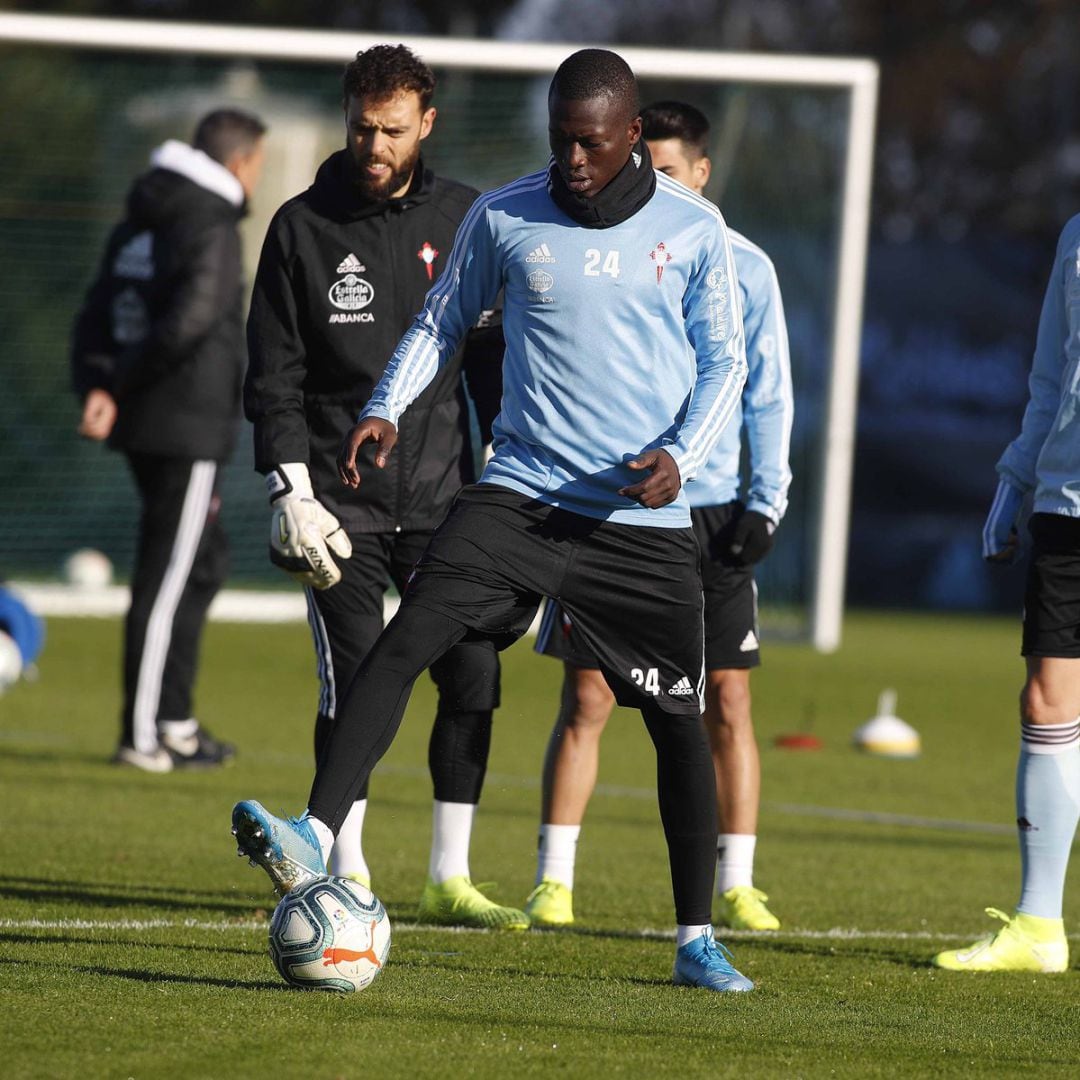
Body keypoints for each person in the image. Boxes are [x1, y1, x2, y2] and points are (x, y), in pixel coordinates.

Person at [232, 47, 755, 992]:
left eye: (591, 143)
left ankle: (694, 940)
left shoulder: (695, 231)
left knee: (679, 723)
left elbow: (727, 366)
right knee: (404, 642)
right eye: (560, 140)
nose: (573, 161)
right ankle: (315, 831)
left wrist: (683, 455)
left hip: (638, 520)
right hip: (516, 494)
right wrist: (387, 404)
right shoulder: (506, 214)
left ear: (633, 135)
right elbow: (439, 321)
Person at [242, 45, 516, 929]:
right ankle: (344, 870)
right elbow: (273, 375)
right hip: (337, 503)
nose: (375, 144)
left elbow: (491, 363)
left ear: (425, 124)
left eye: (393, 130)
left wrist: (511, 468)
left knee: (472, 672)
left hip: (447, 498)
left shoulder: (470, 217)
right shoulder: (299, 227)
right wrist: (291, 489)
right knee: (358, 678)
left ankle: (451, 872)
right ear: (347, 115)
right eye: (363, 127)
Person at [524, 101, 793, 933]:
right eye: (649, 171)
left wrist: (766, 500)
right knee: (589, 696)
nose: (655, 188)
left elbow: (768, 393)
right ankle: (553, 879)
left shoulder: (744, 267)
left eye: (671, 174)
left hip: (709, 517)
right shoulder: (599, 252)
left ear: (701, 176)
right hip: (616, 508)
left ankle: (738, 881)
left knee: (727, 703)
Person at [71, 108, 267, 772]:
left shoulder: (141, 216)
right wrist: (118, 384)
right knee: (166, 577)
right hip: (185, 425)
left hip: (146, 419)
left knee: (204, 562)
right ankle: (142, 734)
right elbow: (190, 321)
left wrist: (99, 385)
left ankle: (175, 721)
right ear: (239, 162)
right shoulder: (209, 221)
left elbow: (98, 309)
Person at [932, 215, 1079, 973]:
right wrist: (1016, 479)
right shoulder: (1074, 235)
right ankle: (1039, 925)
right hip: (1067, 503)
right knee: (1046, 701)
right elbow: (1052, 375)